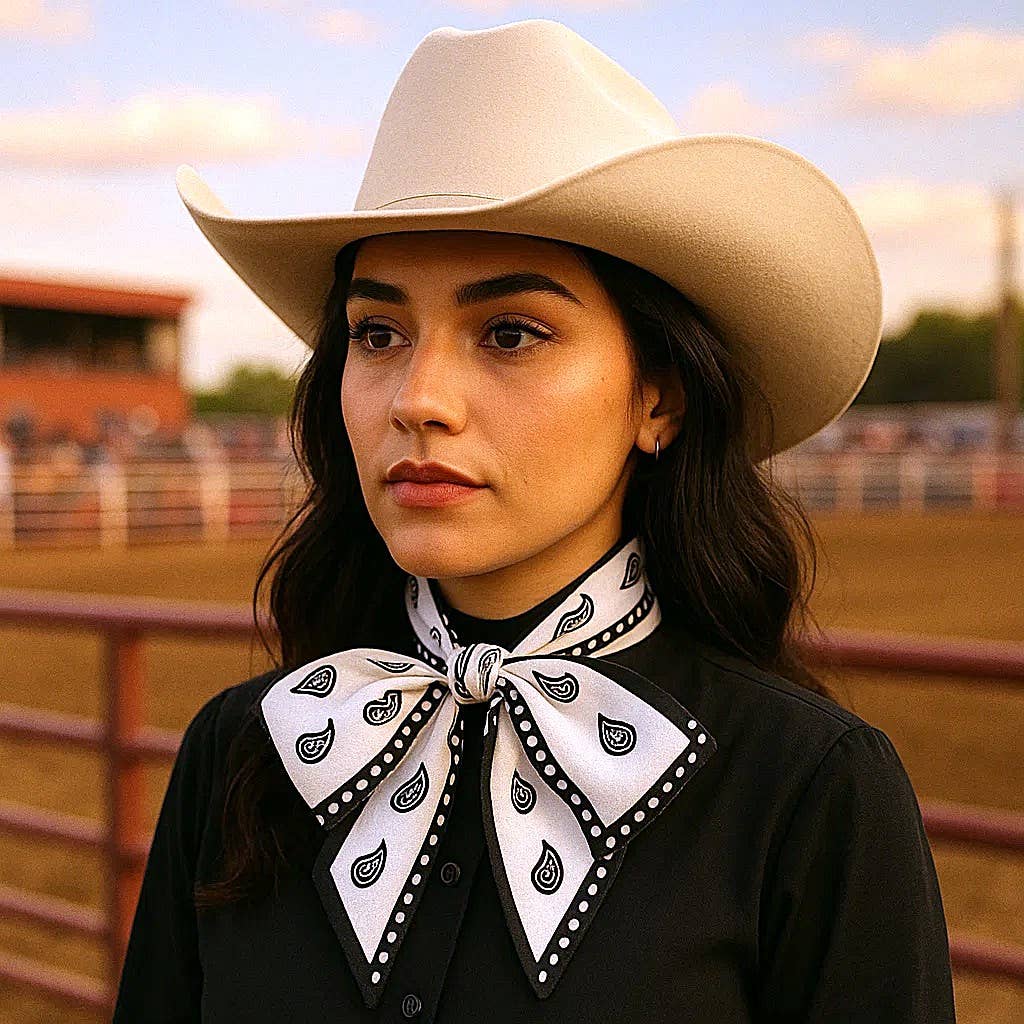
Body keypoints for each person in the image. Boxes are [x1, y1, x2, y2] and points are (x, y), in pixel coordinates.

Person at [113, 18, 957, 1024]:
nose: (416, 397)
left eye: (509, 333)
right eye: (376, 331)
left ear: (661, 399)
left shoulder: (811, 794)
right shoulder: (241, 751)